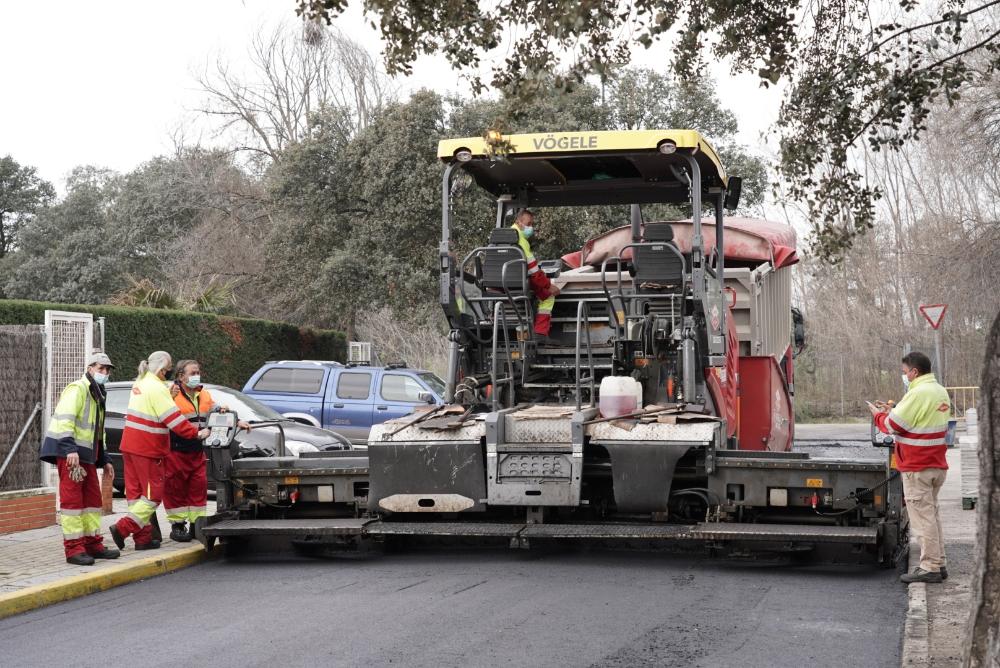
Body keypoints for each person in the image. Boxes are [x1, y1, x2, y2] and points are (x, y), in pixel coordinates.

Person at [109, 351, 209, 551]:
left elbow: (153, 410)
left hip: (129, 445)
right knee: (153, 496)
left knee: (136, 495)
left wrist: (169, 397)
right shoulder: (157, 388)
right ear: (161, 368)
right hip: (148, 448)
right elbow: (174, 420)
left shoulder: (140, 383)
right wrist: (197, 433)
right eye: (168, 369)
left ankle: (143, 539)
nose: (168, 373)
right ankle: (122, 528)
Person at [869, 351, 951, 584]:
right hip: (936, 465)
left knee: (923, 520)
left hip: (918, 467)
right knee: (932, 516)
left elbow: (893, 426)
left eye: (905, 372)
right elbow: (916, 422)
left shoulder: (917, 393)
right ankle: (939, 562)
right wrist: (892, 410)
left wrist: (878, 416)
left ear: (914, 371)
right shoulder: (939, 391)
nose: (904, 376)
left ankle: (930, 567)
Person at [40, 352, 121, 565]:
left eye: (107, 369)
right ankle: (74, 549)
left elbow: (98, 431)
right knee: (73, 503)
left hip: (86, 455)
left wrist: (105, 459)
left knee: (93, 502)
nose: (104, 373)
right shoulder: (78, 389)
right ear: (90, 368)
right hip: (71, 454)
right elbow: (65, 420)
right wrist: (69, 449)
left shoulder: (98, 392)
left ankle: (93, 544)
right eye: (100, 368)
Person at [164, 360, 249, 542]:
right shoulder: (171, 395)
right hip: (176, 450)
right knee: (175, 489)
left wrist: (237, 420)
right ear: (181, 376)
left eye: (198, 372)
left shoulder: (203, 394)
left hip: (197, 450)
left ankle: (197, 524)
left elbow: (218, 411)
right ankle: (177, 526)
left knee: (198, 488)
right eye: (193, 373)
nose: (197, 376)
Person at [511, 209, 561, 345]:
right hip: (520, 283)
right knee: (548, 296)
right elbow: (534, 272)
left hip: (501, 284)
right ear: (518, 222)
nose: (530, 227)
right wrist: (549, 286)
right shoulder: (520, 240)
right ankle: (540, 334)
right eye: (528, 223)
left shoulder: (503, 237)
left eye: (532, 224)